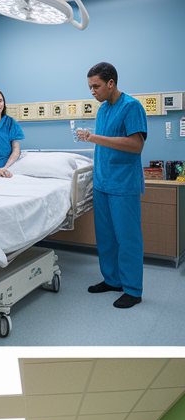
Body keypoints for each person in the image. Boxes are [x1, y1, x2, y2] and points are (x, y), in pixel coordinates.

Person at [77, 61, 147, 309]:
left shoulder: (132, 107)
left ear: (111, 83)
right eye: (90, 87)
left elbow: (136, 145)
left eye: (96, 86)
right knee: (105, 237)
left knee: (127, 238)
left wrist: (93, 137)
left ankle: (132, 289)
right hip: (103, 182)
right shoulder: (104, 110)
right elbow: (107, 143)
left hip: (123, 183)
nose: (92, 91)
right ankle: (112, 280)